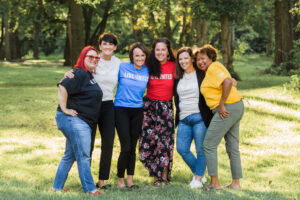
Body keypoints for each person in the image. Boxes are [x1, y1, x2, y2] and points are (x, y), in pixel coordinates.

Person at [65, 33, 120, 189]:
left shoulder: (118, 63)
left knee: (108, 142)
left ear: (115, 47)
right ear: (100, 46)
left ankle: (102, 180)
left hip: (108, 105)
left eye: (111, 44)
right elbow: (79, 69)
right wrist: (67, 73)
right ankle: (86, 182)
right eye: (105, 43)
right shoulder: (94, 59)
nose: (108, 47)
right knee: (86, 144)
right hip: (89, 106)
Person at [53, 46, 102, 195]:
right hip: (74, 121)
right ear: (83, 58)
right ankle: (90, 189)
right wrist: (65, 108)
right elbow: (62, 86)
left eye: (96, 58)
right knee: (83, 155)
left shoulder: (88, 75)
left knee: (70, 155)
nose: (94, 59)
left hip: (79, 121)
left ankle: (57, 188)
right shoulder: (79, 73)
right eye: (90, 57)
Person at [195, 44, 244, 190]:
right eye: (198, 60)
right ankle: (235, 183)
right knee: (232, 146)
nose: (200, 62)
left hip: (226, 108)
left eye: (203, 58)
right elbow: (230, 80)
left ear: (210, 58)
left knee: (208, 145)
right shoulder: (216, 67)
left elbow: (228, 82)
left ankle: (214, 183)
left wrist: (221, 105)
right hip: (236, 106)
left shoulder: (213, 68)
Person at [173, 47, 213, 189]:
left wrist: (231, 81)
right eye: (180, 59)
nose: (183, 61)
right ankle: (199, 173)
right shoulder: (178, 77)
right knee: (182, 149)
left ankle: (197, 179)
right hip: (183, 118)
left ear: (192, 59)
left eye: (186, 58)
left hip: (199, 118)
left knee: (201, 150)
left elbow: (216, 82)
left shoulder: (202, 74)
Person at [139, 38, 176, 187]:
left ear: (168, 52)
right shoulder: (148, 66)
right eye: (157, 50)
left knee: (164, 143)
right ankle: (156, 174)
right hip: (149, 107)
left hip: (166, 108)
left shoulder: (174, 66)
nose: (160, 52)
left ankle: (164, 177)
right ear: (154, 51)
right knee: (148, 143)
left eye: (163, 49)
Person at [114, 42, 149, 188]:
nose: (139, 58)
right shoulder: (122, 67)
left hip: (137, 111)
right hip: (121, 109)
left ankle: (130, 180)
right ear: (131, 56)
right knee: (126, 146)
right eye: (136, 55)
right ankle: (120, 179)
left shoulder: (147, 70)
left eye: (142, 55)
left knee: (133, 147)